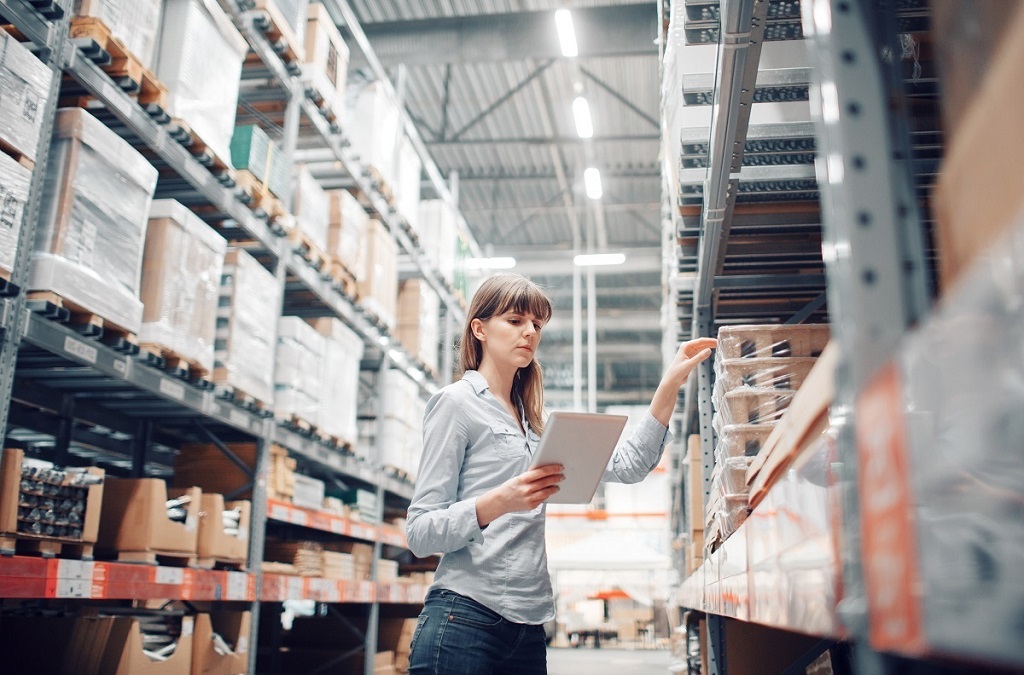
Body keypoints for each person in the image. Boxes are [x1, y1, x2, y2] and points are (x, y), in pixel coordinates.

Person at [405, 274, 716, 675]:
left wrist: (670, 382)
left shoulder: (537, 423)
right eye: (515, 320)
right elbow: (420, 531)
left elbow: (630, 465)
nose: (529, 332)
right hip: (464, 618)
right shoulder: (456, 405)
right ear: (479, 329)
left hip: (529, 627)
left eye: (537, 324)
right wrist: (499, 502)